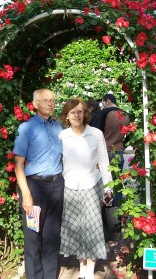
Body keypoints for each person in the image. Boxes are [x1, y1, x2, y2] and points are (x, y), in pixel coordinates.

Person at [59, 98, 112, 279]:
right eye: (72, 112)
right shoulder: (62, 136)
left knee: (92, 228)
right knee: (77, 230)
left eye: (80, 111)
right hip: (70, 188)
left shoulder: (95, 134)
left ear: (85, 113)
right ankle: (82, 270)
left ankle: (89, 272)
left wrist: (108, 189)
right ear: (66, 116)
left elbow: (104, 162)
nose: (77, 115)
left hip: (91, 185)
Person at [13, 89, 64, 279]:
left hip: (57, 186)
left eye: (52, 100)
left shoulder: (59, 127)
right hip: (34, 188)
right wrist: (26, 194)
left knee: (52, 237)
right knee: (33, 238)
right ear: (34, 104)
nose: (50, 103)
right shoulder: (26, 128)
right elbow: (18, 164)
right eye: (45, 100)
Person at [98, 93, 130, 172]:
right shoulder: (126, 114)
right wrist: (123, 146)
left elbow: (98, 131)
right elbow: (129, 134)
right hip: (119, 150)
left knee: (105, 180)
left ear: (108, 101)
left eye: (103, 103)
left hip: (106, 150)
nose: (103, 106)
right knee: (118, 179)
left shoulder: (105, 112)